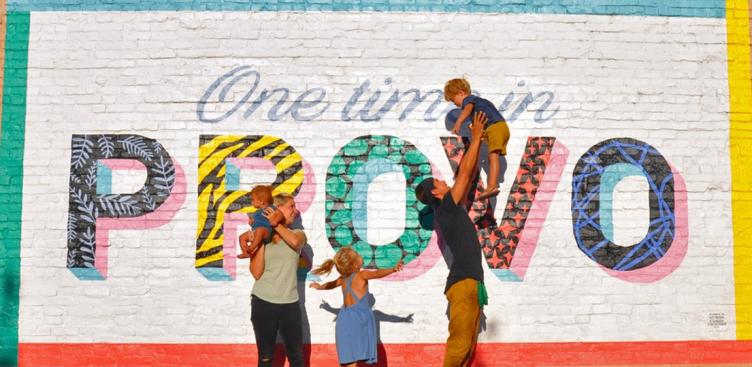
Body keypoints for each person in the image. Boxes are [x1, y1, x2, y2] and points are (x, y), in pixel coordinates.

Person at [415, 111, 489, 367]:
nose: (444, 180)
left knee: (468, 348)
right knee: (459, 344)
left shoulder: (448, 209)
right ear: (434, 191)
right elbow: (466, 172)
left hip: (471, 284)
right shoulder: (446, 206)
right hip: (464, 285)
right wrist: (477, 137)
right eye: (438, 180)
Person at [241, 193, 306, 367]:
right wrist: (260, 240)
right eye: (291, 206)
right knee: (266, 358)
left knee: (297, 358)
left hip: (290, 304)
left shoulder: (298, 233)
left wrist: (273, 223)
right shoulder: (262, 237)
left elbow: (295, 242)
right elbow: (256, 272)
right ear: (278, 209)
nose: (295, 210)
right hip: (263, 302)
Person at [309, 247, 404, 367]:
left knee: (348, 359)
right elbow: (376, 274)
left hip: (343, 320)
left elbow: (331, 285)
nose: (361, 255)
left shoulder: (342, 279)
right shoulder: (361, 275)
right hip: (359, 319)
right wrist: (393, 269)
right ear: (354, 265)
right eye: (358, 254)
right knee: (358, 358)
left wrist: (319, 287)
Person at [445, 78, 510, 200]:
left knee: (493, 156)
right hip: (498, 127)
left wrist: (459, 122)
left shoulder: (470, 100)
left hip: (495, 127)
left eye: (454, 100)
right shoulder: (480, 104)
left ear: (461, 92)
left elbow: (468, 108)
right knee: (491, 155)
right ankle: (492, 185)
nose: (456, 105)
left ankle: (492, 186)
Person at [238, 185, 275, 259]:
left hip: (266, 231)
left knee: (260, 230)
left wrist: (275, 220)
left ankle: (251, 248)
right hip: (256, 231)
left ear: (261, 201)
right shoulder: (257, 212)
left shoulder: (271, 208)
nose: (252, 202)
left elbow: (279, 215)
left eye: (253, 200)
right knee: (242, 237)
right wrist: (252, 223)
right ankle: (245, 253)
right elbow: (257, 223)